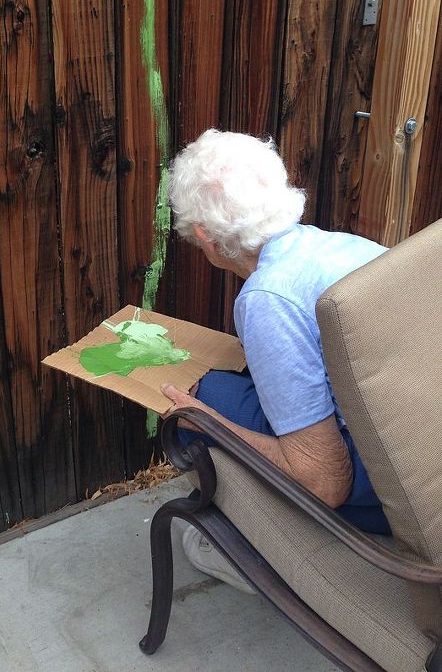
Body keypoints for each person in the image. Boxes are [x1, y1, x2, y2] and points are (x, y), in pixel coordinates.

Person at [161, 129, 390, 592]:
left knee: (202, 399)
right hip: (422, 443)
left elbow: (327, 482)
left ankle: (255, 551)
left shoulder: (267, 298)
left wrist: (207, 422)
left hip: (395, 491)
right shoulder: (340, 245)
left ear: (204, 236)